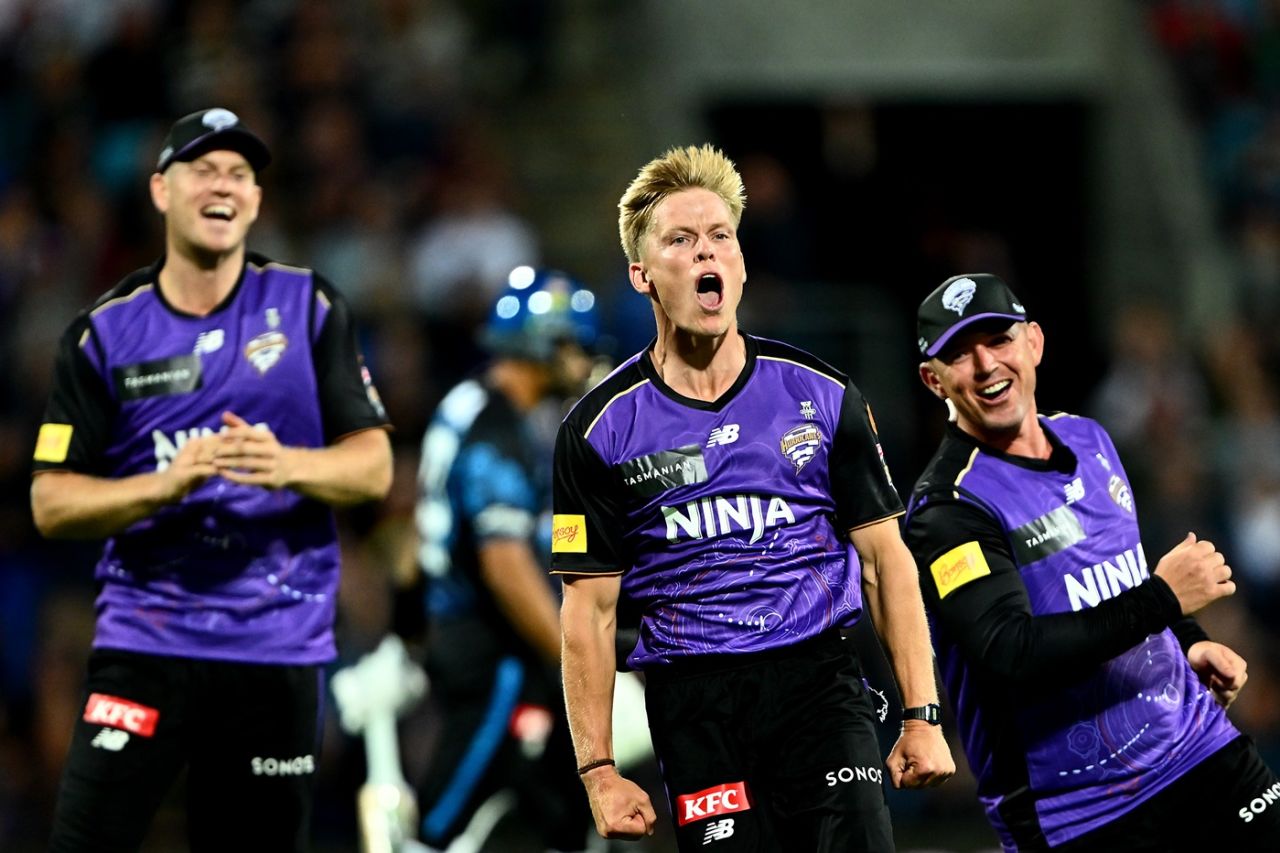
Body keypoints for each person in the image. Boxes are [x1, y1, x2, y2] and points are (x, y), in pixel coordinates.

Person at [550, 143, 954, 852]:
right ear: (642, 274)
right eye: (680, 239)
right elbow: (589, 607)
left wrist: (921, 712)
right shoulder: (598, 429)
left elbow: (887, 561)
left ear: (737, 262)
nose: (706, 252)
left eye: (720, 236)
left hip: (819, 680)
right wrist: (599, 768)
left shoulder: (822, 394)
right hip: (695, 700)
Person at [29, 107, 394, 852]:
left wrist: (286, 463)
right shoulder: (104, 332)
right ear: (162, 190)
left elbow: (375, 466)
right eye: (204, 169)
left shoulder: (309, 308)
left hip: (276, 645)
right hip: (147, 639)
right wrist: (159, 486)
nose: (223, 185)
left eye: (240, 174)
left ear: (256, 201)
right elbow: (49, 500)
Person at [902, 273, 1280, 851]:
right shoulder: (949, 509)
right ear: (934, 381)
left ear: (1034, 343)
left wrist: (1187, 639)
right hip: (1078, 807)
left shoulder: (1091, 438)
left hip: (1196, 747)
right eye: (958, 354)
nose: (984, 365)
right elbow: (1011, 651)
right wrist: (1164, 600)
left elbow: (1119, 579)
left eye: (998, 340)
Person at [409, 267, 602, 852]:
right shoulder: (498, 427)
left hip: (481, 637)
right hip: (495, 648)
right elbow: (505, 564)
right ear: (546, 340)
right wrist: (579, 658)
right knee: (440, 826)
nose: (585, 359)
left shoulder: (484, 408)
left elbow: (550, 533)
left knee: (563, 813)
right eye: (576, 344)